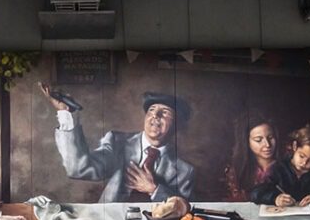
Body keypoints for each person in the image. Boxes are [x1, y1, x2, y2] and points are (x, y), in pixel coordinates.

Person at [39, 82, 194, 202]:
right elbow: (79, 169)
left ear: (177, 123)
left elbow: (185, 212)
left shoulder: (184, 171)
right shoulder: (117, 143)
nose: (155, 115)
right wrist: (66, 114)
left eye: (164, 112)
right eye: (151, 110)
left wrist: (154, 189)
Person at [249, 125, 310, 207]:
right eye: (302, 156)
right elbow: (255, 193)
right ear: (294, 146)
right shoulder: (278, 169)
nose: (304, 163)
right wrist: (275, 198)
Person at [223, 116, 277, 202]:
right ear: (247, 142)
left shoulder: (288, 164)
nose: (267, 144)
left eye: (270, 137)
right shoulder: (236, 169)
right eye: (258, 140)